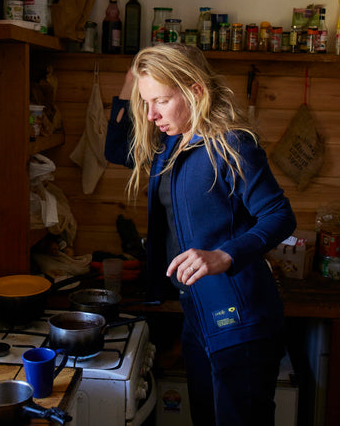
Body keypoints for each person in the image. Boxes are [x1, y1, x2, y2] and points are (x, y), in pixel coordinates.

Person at [104, 43, 296, 426]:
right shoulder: (170, 144)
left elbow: (279, 216)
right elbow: (115, 147)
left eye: (160, 100)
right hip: (196, 314)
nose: (151, 114)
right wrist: (132, 78)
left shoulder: (232, 145)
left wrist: (223, 256)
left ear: (195, 90)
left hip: (239, 321)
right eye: (146, 102)